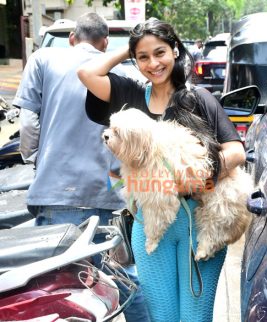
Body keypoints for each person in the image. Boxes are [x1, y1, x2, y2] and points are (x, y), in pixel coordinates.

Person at [77, 18, 246, 322]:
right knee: (163, 317)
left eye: (160, 52)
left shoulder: (199, 99)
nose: (153, 63)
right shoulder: (128, 96)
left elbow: (235, 152)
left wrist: (194, 182)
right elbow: (87, 73)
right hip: (150, 227)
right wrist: (127, 50)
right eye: (143, 56)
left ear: (175, 51)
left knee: (194, 318)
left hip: (200, 221)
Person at [12, 12, 150, 322]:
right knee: (118, 279)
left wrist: (36, 157)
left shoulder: (43, 58)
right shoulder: (122, 75)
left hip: (57, 192)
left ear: (73, 38)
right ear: (104, 44)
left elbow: (28, 123)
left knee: (61, 288)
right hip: (108, 192)